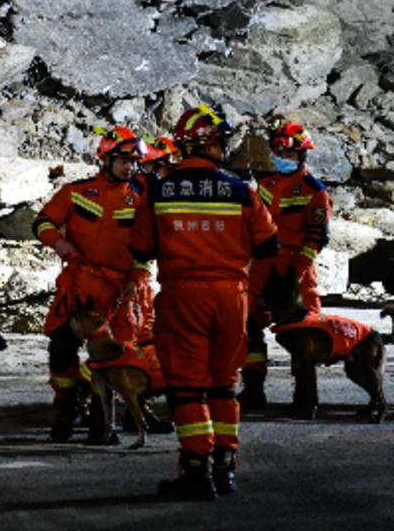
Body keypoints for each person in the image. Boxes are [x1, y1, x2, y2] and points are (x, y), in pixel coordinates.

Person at [130, 103, 278, 501]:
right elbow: (269, 246)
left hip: (184, 296)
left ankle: (196, 470)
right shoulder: (242, 190)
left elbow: (140, 248)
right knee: (223, 385)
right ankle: (225, 467)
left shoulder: (159, 191)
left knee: (187, 388)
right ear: (210, 143)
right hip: (232, 297)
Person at [34, 125, 152, 442]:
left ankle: (101, 423)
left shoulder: (142, 198)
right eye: (123, 160)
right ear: (106, 159)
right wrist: (60, 245)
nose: (130, 166)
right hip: (79, 286)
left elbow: (149, 246)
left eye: (134, 161)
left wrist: (138, 276)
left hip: (121, 290)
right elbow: (43, 222)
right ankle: (65, 407)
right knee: (61, 348)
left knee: (115, 356)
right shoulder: (76, 191)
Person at [240, 119, 330, 410]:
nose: (282, 158)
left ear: (301, 155)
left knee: (304, 331)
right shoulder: (266, 185)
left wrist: (299, 269)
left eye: (287, 153)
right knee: (250, 322)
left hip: (297, 266)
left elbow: (317, 236)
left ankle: (306, 397)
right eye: (278, 152)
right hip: (263, 263)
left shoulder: (314, 190)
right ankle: (253, 389)